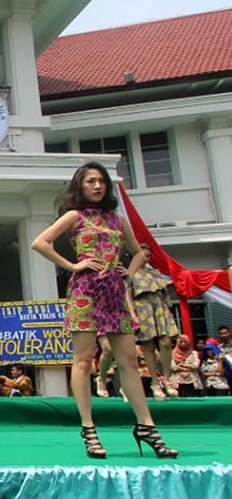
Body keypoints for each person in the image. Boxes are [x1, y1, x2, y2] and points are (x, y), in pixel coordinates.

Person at [31, 161, 177, 459]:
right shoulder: (74, 216)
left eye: (101, 181)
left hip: (114, 293)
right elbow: (40, 242)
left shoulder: (117, 219)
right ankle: (88, 428)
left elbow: (138, 252)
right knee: (83, 360)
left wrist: (129, 273)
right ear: (80, 187)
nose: (97, 186)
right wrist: (73, 265)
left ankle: (146, 425)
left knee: (129, 362)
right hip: (84, 291)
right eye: (91, 181)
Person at [129, 244, 179, 400]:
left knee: (165, 342)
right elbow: (127, 295)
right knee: (148, 346)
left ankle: (167, 379)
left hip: (159, 308)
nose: (145, 259)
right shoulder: (130, 274)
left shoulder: (155, 273)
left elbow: (166, 296)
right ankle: (154, 382)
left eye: (148, 256)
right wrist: (132, 314)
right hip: (142, 308)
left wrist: (168, 312)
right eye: (143, 255)